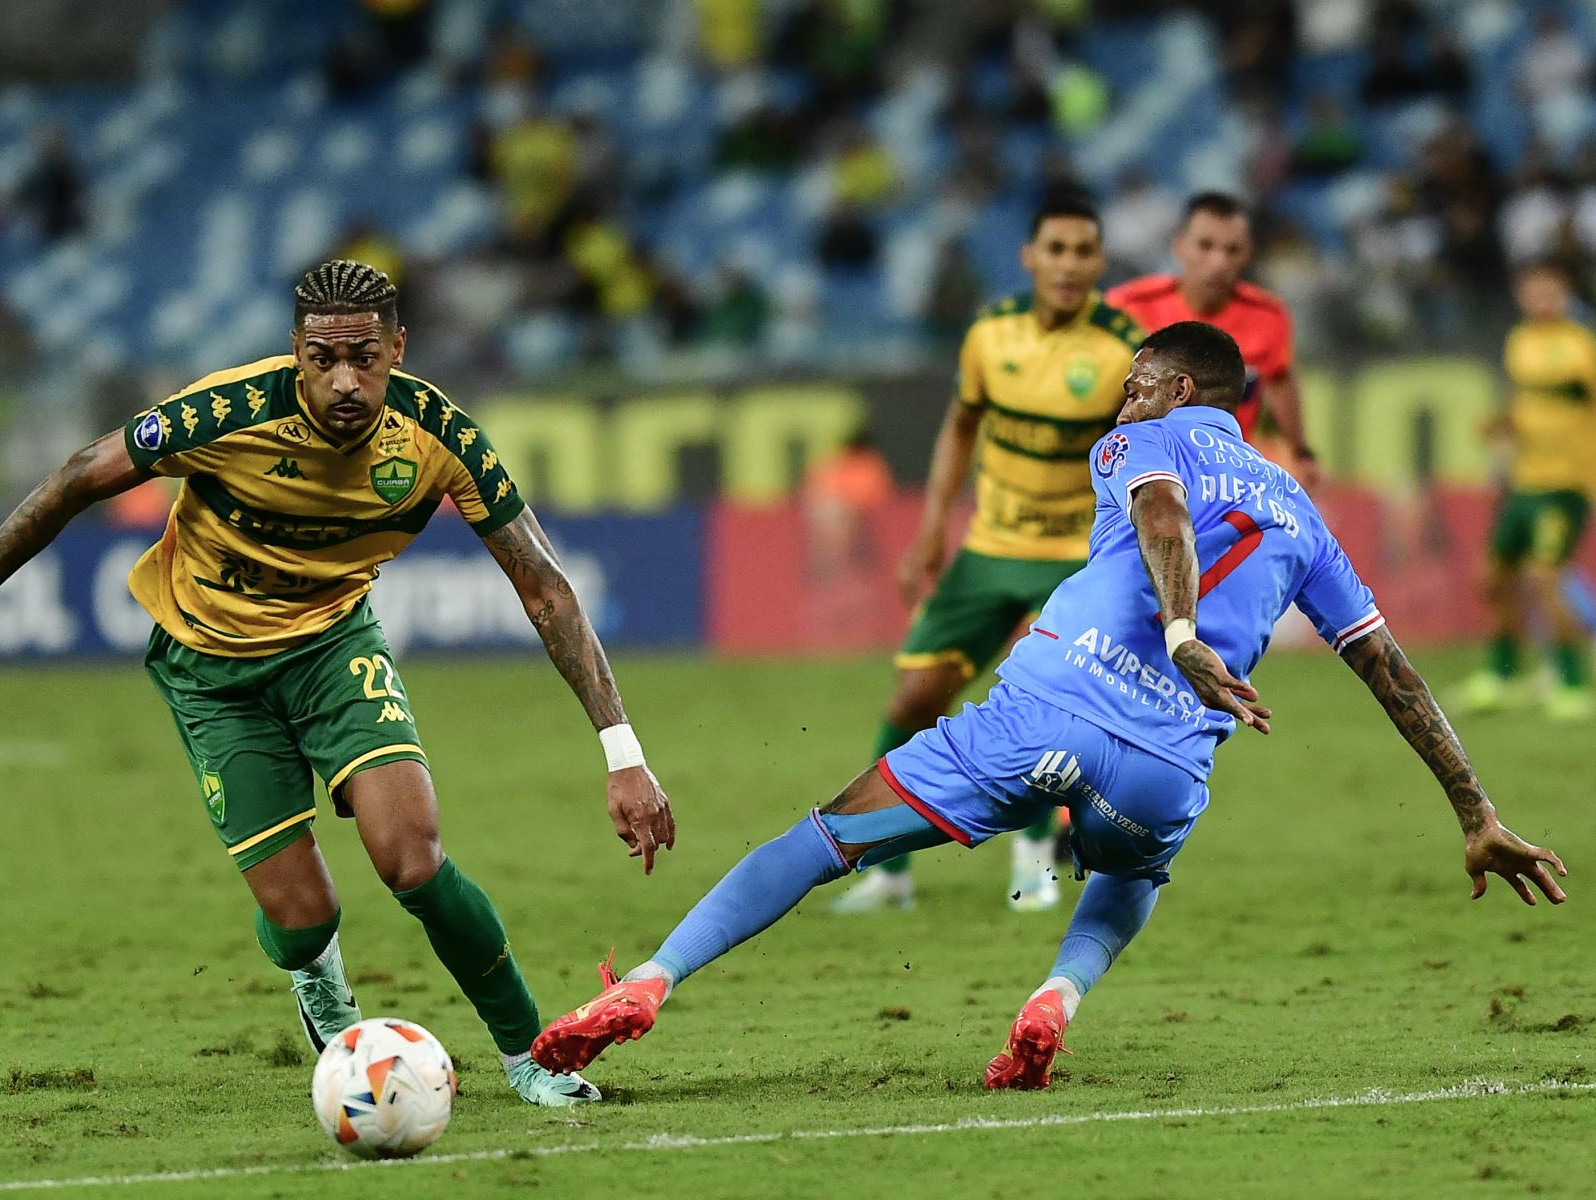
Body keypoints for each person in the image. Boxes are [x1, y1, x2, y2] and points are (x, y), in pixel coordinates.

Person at [528, 322, 1566, 1091]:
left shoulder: (1135, 448)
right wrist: (1474, 812)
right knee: (1135, 870)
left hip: (1041, 712)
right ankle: (1055, 999)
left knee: (827, 837)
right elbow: (1394, 673)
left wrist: (1179, 630)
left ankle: (654, 981)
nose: (1121, 402)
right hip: (1162, 767)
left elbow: (1161, 512)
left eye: (1136, 383)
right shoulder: (1308, 519)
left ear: (1181, 384)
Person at [0, 260, 675, 1108]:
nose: (344, 380)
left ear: (398, 347)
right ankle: (318, 978)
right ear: (295, 351)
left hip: (333, 649)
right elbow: (72, 480)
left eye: (365, 356)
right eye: (323, 358)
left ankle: (530, 1057)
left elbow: (544, 584)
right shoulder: (225, 412)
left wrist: (623, 753)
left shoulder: (440, 437)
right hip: (210, 673)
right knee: (304, 919)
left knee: (413, 858)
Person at [834, 196, 1143, 915]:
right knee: (915, 697)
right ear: (1028, 257)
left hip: (1076, 555)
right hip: (990, 548)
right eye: (1056, 249)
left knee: (1043, 708)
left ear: (1099, 262)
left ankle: (1034, 862)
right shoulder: (989, 334)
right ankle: (884, 867)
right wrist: (933, 525)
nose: (1069, 265)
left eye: (1083, 251)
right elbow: (961, 425)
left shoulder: (1122, 347)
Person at [1460, 260, 1596, 721]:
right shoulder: (1520, 343)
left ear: (1564, 294)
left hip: (1566, 483)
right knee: (1495, 577)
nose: (1540, 298)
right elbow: (1528, 405)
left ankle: (1574, 682)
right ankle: (1502, 676)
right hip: (1523, 481)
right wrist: (1505, 422)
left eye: (1549, 290)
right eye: (1532, 290)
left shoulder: (1581, 345)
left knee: (1544, 577)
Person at [1108, 192, 1318, 488]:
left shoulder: (1268, 317)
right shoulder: (1128, 308)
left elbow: (1278, 381)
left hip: (1225, 479)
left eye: (1233, 250)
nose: (1219, 261)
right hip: (1142, 472)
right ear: (1179, 246)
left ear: (1248, 253)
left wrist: (1300, 452)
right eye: (1205, 246)